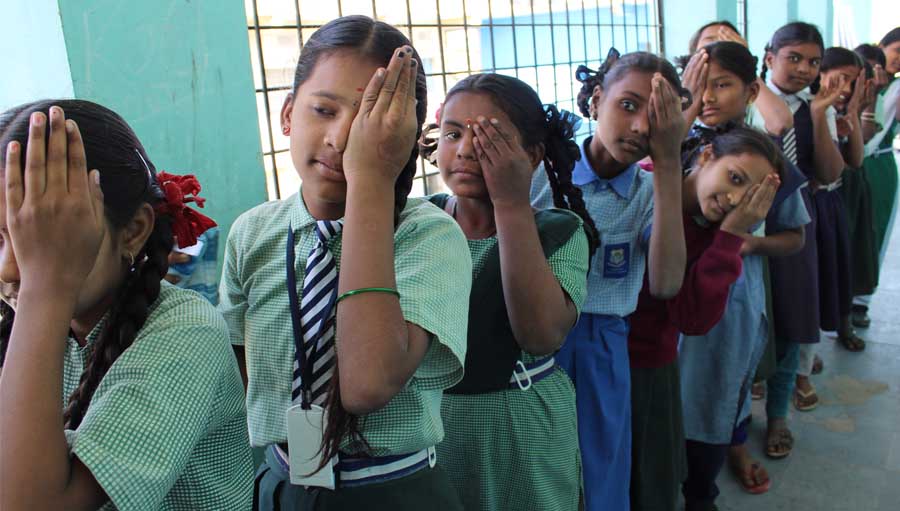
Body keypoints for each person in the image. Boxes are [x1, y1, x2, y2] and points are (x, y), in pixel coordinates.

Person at [218, 16, 472, 510]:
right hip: (285, 480)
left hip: (393, 490)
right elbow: (242, 371)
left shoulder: (427, 236)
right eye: (323, 109)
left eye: (369, 122)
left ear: (405, 137)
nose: (341, 138)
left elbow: (366, 384)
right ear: (288, 113)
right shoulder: (252, 233)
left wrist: (372, 180)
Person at [0, 100, 254, 510]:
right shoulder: (33, 328)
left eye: (44, 238)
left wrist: (44, 288)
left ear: (133, 231)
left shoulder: (186, 336)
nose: (10, 269)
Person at [421, 73, 596, 511]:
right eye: (453, 133)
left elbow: (540, 335)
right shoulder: (417, 224)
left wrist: (512, 204)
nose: (464, 150)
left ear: (532, 155)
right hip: (430, 426)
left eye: (487, 138)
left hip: (520, 431)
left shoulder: (558, 231)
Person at [531, 48, 690, 511]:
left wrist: (667, 166)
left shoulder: (648, 192)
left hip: (602, 342)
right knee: (538, 464)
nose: (642, 126)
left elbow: (664, 282)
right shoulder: (542, 172)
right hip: (532, 338)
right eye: (628, 105)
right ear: (596, 99)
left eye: (659, 117)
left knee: (600, 470)